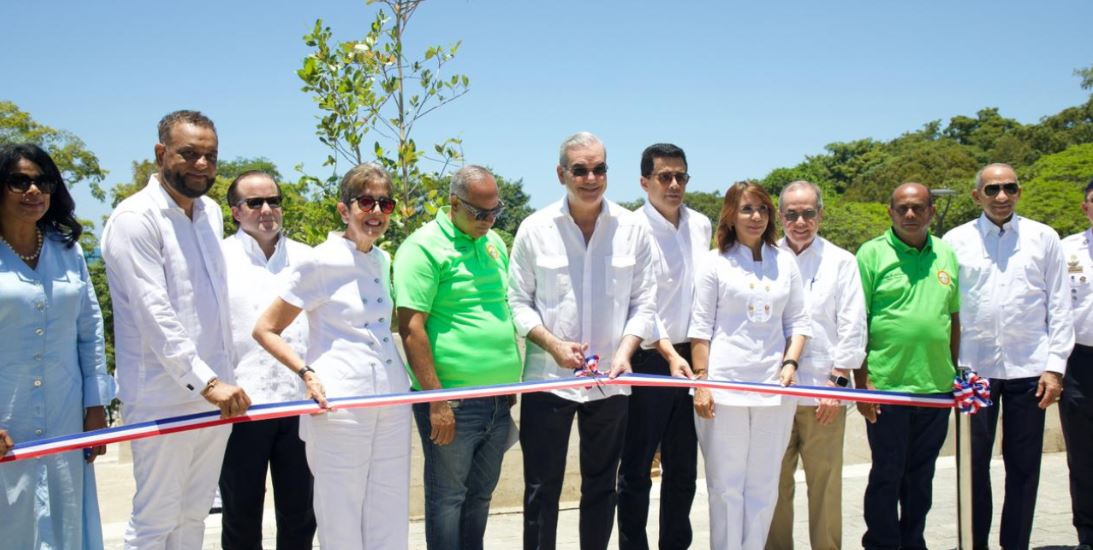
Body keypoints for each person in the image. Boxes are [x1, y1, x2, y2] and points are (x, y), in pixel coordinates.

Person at [101, 110, 252, 549]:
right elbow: (155, 314)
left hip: (216, 394)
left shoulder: (211, 213)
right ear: (160, 153)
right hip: (163, 396)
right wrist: (207, 382)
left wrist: (222, 380)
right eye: (189, 153)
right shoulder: (135, 218)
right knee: (155, 520)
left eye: (211, 156)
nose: (202, 164)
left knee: (193, 515)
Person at [508, 132, 657, 550]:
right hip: (547, 379)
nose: (591, 178)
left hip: (611, 380)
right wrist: (553, 345)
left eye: (599, 169)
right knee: (541, 488)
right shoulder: (534, 229)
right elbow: (517, 302)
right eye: (580, 170)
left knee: (602, 487)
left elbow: (645, 302)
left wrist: (626, 351)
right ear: (561, 174)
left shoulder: (632, 228)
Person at [253, 163, 411, 549]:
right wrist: (306, 373)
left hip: (392, 399)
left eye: (385, 204)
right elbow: (265, 329)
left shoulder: (381, 259)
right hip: (340, 405)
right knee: (340, 514)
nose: (376, 212)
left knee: (390, 510)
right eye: (366, 202)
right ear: (344, 209)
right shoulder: (319, 260)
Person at [942, 163, 1073, 550]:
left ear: (1019, 192)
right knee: (972, 466)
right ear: (976, 195)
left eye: (1010, 188)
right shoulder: (954, 241)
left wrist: (1055, 368)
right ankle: (974, 544)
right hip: (972, 370)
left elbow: (1060, 306)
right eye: (992, 189)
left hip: (1030, 368)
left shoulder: (1044, 238)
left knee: (1024, 466)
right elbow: (945, 308)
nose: (1002, 196)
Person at [394, 165, 523, 550]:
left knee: (480, 497)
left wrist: (507, 389)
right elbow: (411, 328)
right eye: (480, 213)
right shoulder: (421, 248)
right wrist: (437, 400)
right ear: (454, 203)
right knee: (447, 499)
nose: (489, 220)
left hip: (497, 400)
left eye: (495, 211)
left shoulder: (494, 242)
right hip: (452, 403)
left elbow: (500, 308)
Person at [0, 143, 115, 549]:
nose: (34, 190)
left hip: (65, 414)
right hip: (7, 416)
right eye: (19, 181)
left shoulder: (69, 250)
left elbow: (90, 328)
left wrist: (97, 406)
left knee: (67, 517)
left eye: (44, 181)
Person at [688, 181, 811, 550]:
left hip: (775, 388)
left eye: (762, 209)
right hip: (724, 390)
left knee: (763, 484)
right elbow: (700, 328)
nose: (756, 216)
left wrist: (790, 363)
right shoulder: (714, 262)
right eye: (746, 209)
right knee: (726, 486)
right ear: (730, 215)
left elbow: (798, 322)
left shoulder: (784, 261)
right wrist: (702, 383)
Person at [855, 182, 960, 550]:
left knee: (921, 477)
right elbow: (857, 323)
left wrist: (953, 372)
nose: (910, 214)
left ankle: (913, 542)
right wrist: (862, 384)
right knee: (887, 474)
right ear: (890, 212)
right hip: (886, 387)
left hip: (935, 387)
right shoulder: (871, 254)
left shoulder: (946, 253)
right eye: (902, 208)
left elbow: (953, 318)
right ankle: (882, 544)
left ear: (931, 211)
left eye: (918, 207)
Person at [617, 143, 710, 550]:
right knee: (637, 467)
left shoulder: (701, 225)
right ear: (644, 182)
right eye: (664, 177)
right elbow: (640, 301)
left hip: (693, 357)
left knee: (684, 467)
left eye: (680, 176)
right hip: (648, 357)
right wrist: (668, 352)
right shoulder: (629, 228)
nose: (674, 184)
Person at [219, 171, 316, 549]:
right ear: (235, 211)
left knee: (301, 513)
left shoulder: (308, 258)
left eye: (273, 201)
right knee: (241, 513)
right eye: (254, 202)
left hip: (299, 403)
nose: (266, 209)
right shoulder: (217, 258)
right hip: (242, 405)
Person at [767, 180, 866, 550]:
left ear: (821, 215)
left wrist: (836, 386)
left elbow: (853, 326)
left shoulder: (842, 261)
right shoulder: (766, 257)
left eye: (808, 213)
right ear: (780, 216)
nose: (800, 222)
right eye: (791, 214)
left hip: (823, 394)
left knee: (825, 486)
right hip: (775, 392)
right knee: (774, 486)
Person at [1061, 177, 1093, 550]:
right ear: (1085, 207)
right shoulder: (1066, 249)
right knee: (1083, 456)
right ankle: (1087, 534)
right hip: (1081, 363)